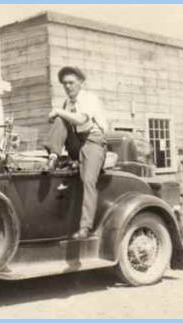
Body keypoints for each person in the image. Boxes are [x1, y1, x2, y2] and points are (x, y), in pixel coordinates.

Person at [44, 66, 107, 239]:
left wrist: (58, 111)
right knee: (60, 119)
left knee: (88, 181)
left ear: (80, 82)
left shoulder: (89, 99)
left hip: (93, 142)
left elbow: (81, 119)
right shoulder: (67, 103)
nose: (68, 87)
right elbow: (66, 124)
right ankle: (53, 156)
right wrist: (58, 115)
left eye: (71, 83)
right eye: (64, 84)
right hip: (77, 142)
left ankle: (85, 227)